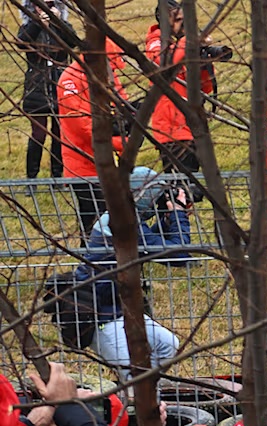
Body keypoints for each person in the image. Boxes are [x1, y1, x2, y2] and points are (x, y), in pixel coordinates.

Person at [77, 166, 195, 381]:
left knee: (168, 345)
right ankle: (137, 400)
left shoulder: (118, 217)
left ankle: (147, 395)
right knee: (134, 378)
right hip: (100, 317)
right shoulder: (123, 224)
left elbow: (154, 243)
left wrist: (170, 218)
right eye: (156, 196)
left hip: (120, 310)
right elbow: (178, 255)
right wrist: (177, 214)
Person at [144, 0, 229, 173]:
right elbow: (164, 65)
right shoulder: (156, 42)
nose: (183, 24)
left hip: (190, 127)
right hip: (172, 130)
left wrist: (203, 63)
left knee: (192, 192)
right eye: (178, 19)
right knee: (181, 191)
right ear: (164, 20)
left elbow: (204, 89)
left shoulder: (180, 47)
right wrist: (189, 41)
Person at [57, 38, 128, 238]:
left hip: (110, 163)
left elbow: (125, 107)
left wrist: (125, 134)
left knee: (113, 218)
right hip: (83, 165)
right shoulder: (70, 79)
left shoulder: (109, 75)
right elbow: (82, 126)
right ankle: (90, 262)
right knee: (93, 220)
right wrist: (119, 141)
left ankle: (110, 262)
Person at [17, 1, 78, 181]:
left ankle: (57, 176)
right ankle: (32, 178)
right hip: (37, 86)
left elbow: (73, 41)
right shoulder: (28, 26)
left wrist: (58, 23)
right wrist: (38, 23)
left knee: (60, 134)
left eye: (49, 4)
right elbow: (22, 42)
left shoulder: (61, 25)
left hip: (60, 83)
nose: (44, 8)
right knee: (38, 134)